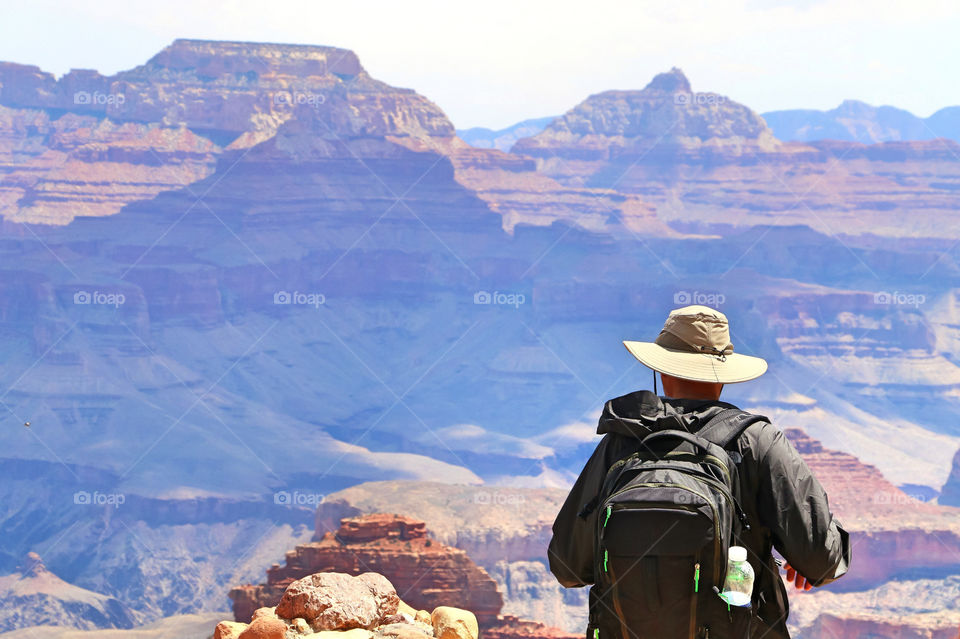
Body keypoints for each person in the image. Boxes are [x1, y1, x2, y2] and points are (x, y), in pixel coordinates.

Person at [547, 305, 850, 639]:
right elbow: (822, 559)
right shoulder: (757, 440)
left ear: (662, 370)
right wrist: (802, 548)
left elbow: (568, 567)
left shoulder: (622, 442)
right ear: (724, 376)